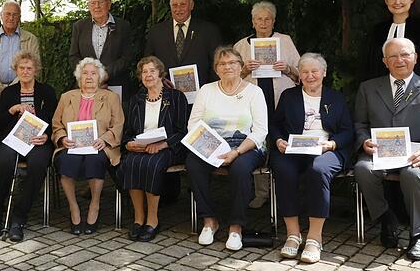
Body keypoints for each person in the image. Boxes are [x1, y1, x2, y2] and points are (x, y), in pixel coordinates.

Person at [354, 38, 420, 261]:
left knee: (413, 173)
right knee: (362, 169)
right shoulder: (368, 88)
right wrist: (363, 141)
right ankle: (385, 218)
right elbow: (360, 124)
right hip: (380, 151)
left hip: (417, 152)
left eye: (405, 54)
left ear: (415, 57)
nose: (399, 60)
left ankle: (418, 234)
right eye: (393, 56)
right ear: (384, 61)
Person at [269, 53, 354, 263]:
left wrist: (332, 144)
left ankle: (315, 238)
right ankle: (293, 235)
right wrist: (279, 140)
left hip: (327, 149)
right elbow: (275, 124)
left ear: (324, 73)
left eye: (314, 71)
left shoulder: (336, 98)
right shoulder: (289, 96)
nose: (310, 76)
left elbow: (348, 130)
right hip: (294, 149)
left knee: (319, 170)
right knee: (283, 169)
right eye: (305, 72)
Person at [186, 46, 267, 251]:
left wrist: (237, 151)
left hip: (246, 146)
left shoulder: (254, 92)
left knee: (240, 169)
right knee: (193, 164)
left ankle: (236, 226)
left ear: (241, 67)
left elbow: (260, 131)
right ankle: (209, 220)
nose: (227, 66)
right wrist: (211, 149)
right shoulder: (207, 90)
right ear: (216, 69)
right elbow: (193, 124)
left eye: (232, 62)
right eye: (222, 64)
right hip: (211, 145)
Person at [233, 1, 299, 208]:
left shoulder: (284, 41)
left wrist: (287, 68)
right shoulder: (241, 45)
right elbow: (230, 79)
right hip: (252, 103)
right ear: (252, 22)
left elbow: (301, 75)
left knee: (280, 144)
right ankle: (262, 193)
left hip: (280, 101)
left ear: (273, 21)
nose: (263, 22)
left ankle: (284, 193)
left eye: (267, 19)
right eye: (259, 19)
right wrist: (244, 71)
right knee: (257, 144)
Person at [0, 50, 57, 242]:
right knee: (5, 161)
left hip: (37, 141)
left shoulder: (47, 92)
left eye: (29, 68)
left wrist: (47, 136)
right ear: (16, 70)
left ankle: (19, 217)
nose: (25, 71)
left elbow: (55, 120)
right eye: (21, 68)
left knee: (38, 164)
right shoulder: (9, 93)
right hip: (12, 140)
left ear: (36, 70)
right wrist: (12, 110)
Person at [52, 57, 124, 235]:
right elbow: (56, 123)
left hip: (99, 146)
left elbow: (119, 124)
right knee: (65, 162)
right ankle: (74, 207)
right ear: (79, 76)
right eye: (85, 73)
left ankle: (95, 204)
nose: (89, 77)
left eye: (93, 73)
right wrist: (62, 139)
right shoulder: (66, 97)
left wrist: (105, 139)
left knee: (95, 161)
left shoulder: (111, 97)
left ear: (100, 77)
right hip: (72, 146)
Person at [121, 56, 189, 242]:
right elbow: (128, 131)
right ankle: (138, 218)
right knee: (129, 162)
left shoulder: (176, 97)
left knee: (152, 164)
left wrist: (161, 145)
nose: (148, 75)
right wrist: (129, 144)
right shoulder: (136, 99)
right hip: (141, 147)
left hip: (168, 147)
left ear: (160, 73)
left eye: (152, 71)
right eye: (144, 72)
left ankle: (152, 220)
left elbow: (183, 131)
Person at [144, 0, 222, 87]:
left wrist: (208, 88)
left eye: (183, 4)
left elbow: (217, 63)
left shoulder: (209, 30)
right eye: (174, 5)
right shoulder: (156, 32)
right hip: (166, 92)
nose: (178, 9)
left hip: (201, 93)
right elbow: (148, 62)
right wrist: (160, 80)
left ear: (192, 5)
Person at [0, 1, 40, 112]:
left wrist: (12, 89)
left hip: (23, 94)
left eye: (15, 14)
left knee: (23, 128)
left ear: (19, 17)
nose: (11, 18)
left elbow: (34, 67)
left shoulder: (30, 39)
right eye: (7, 14)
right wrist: (0, 88)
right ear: (1, 15)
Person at [68, 0, 134, 94]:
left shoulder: (123, 26)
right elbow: (73, 56)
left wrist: (105, 74)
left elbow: (127, 56)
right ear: (89, 6)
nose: (97, 6)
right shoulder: (79, 26)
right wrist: (89, 75)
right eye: (93, 3)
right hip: (87, 85)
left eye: (101, 2)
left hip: (115, 85)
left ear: (109, 4)